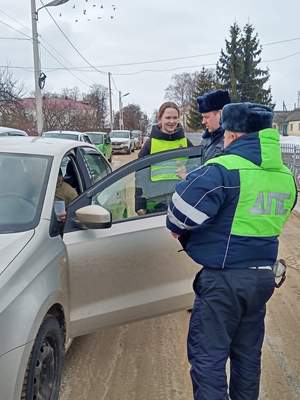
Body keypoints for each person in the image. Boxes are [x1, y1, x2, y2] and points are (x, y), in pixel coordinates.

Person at [166, 102, 297, 400]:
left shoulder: (224, 169)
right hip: (262, 279)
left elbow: (179, 213)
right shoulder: (286, 177)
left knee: (208, 359)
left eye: (225, 133)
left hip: (223, 283)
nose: (223, 139)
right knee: (248, 358)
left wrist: (183, 231)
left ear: (235, 136)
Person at [136, 101, 192, 215]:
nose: (172, 121)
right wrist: (140, 204)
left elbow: (197, 170)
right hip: (155, 203)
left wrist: (188, 173)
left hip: (180, 202)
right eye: (168, 118)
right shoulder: (150, 144)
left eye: (175, 117)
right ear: (160, 119)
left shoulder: (186, 143)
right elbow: (140, 176)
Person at [197, 89, 231, 162]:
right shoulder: (206, 140)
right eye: (202, 117)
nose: (203, 122)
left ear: (221, 114)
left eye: (206, 117)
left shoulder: (230, 141)